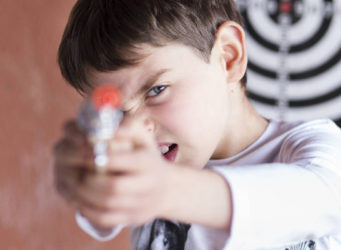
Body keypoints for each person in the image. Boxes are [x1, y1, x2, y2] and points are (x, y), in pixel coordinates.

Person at [53, 0, 341, 249]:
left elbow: (325, 199)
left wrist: (163, 190)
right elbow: (103, 211)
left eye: (156, 90)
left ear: (228, 57)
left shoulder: (314, 147)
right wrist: (86, 177)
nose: (135, 127)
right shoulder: (160, 161)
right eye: (116, 112)